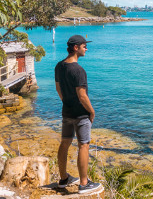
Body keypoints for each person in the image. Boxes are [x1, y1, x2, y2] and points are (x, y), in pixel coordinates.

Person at [55, 35, 101, 194]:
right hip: (81, 115)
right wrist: (91, 111)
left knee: (65, 143)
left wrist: (66, 102)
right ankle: (83, 183)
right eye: (84, 46)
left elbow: (58, 88)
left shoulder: (59, 66)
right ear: (76, 48)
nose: (86, 48)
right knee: (84, 145)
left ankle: (63, 179)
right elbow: (82, 96)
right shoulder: (78, 70)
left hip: (66, 112)